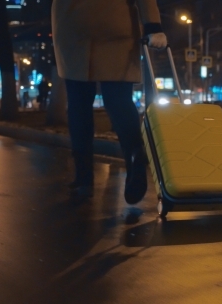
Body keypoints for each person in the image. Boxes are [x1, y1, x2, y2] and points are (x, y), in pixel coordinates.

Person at [52, 0, 167, 202]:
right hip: (116, 24)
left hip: (72, 25)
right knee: (118, 100)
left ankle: (83, 178)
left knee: (78, 104)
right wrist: (153, 26)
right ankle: (134, 159)